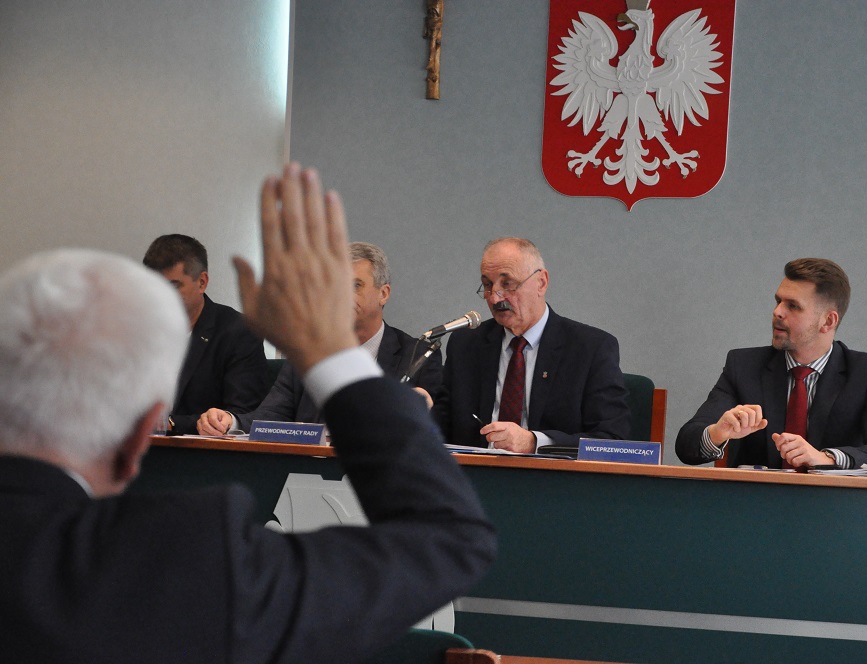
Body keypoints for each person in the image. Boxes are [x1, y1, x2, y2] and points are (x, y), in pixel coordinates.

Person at [0, 163, 496, 663]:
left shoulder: (416, 354)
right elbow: (449, 541)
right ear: (138, 438)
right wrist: (329, 356)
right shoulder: (189, 556)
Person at [675, 258, 867, 472]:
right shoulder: (744, 366)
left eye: (793, 306)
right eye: (778, 301)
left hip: (833, 503)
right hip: (757, 502)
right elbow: (686, 445)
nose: (777, 312)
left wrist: (826, 458)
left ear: (828, 321)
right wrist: (717, 433)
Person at [196, 242, 442, 435]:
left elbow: (436, 432)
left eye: (355, 285)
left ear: (383, 294)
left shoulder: (417, 355)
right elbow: (268, 418)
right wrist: (229, 421)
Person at [433, 237, 630, 452]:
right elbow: (440, 427)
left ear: (541, 282)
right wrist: (419, 408)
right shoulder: (466, 345)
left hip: (552, 472)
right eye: (488, 285)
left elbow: (611, 440)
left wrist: (535, 442)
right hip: (475, 470)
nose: (495, 298)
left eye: (507, 284)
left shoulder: (590, 348)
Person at [142, 234, 271, 434]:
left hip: (201, 449)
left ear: (202, 282)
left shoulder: (238, 331)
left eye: (173, 286)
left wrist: (170, 423)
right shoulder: (139, 329)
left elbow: (243, 415)